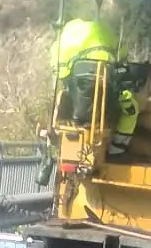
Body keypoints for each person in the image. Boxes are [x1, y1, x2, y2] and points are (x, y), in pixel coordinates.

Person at [54, 18, 140, 156]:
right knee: (131, 109)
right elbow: (122, 63)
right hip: (105, 100)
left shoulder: (62, 41)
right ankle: (117, 150)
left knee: (64, 94)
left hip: (77, 102)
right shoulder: (107, 32)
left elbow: (60, 74)